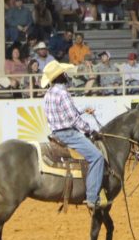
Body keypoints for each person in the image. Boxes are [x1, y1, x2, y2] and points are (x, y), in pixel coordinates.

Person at [41, 60, 106, 210]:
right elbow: (73, 119)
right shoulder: (63, 93)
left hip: (56, 133)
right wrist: (90, 130)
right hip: (68, 134)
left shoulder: (48, 94)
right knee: (97, 157)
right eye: (65, 73)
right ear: (61, 76)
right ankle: (92, 197)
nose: (67, 75)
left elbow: (65, 114)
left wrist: (83, 110)